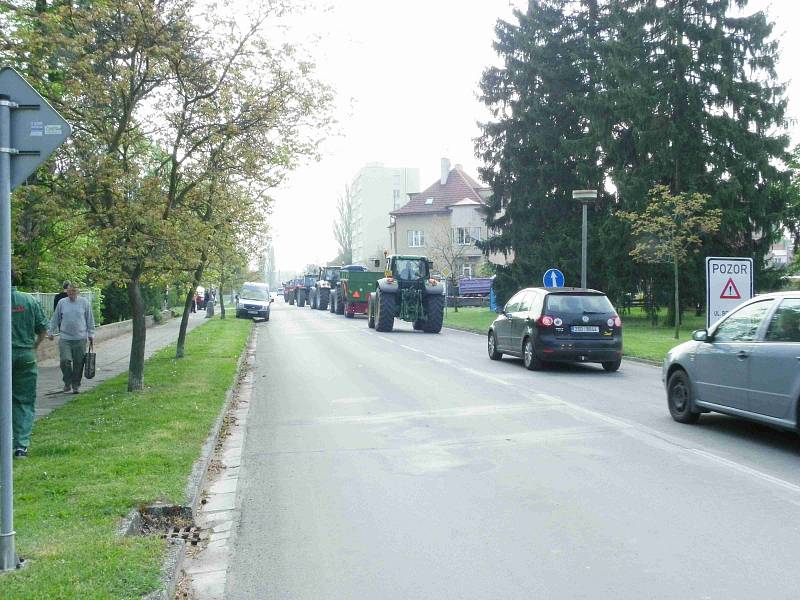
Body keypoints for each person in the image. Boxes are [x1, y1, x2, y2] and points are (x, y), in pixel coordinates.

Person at [10, 270, 49, 459]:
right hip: (25, 355)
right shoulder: (29, 301)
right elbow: (43, 329)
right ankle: (21, 446)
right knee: (23, 401)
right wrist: (32, 348)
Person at [49, 283, 95, 394]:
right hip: (65, 338)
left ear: (77, 292)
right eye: (69, 291)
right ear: (67, 292)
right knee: (65, 361)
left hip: (80, 338)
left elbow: (90, 319)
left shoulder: (84, 302)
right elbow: (55, 318)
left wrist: (91, 334)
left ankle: (75, 385)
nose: (71, 293)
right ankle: (67, 382)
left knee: (79, 363)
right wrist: (50, 331)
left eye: (73, 291)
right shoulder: (62, 303)